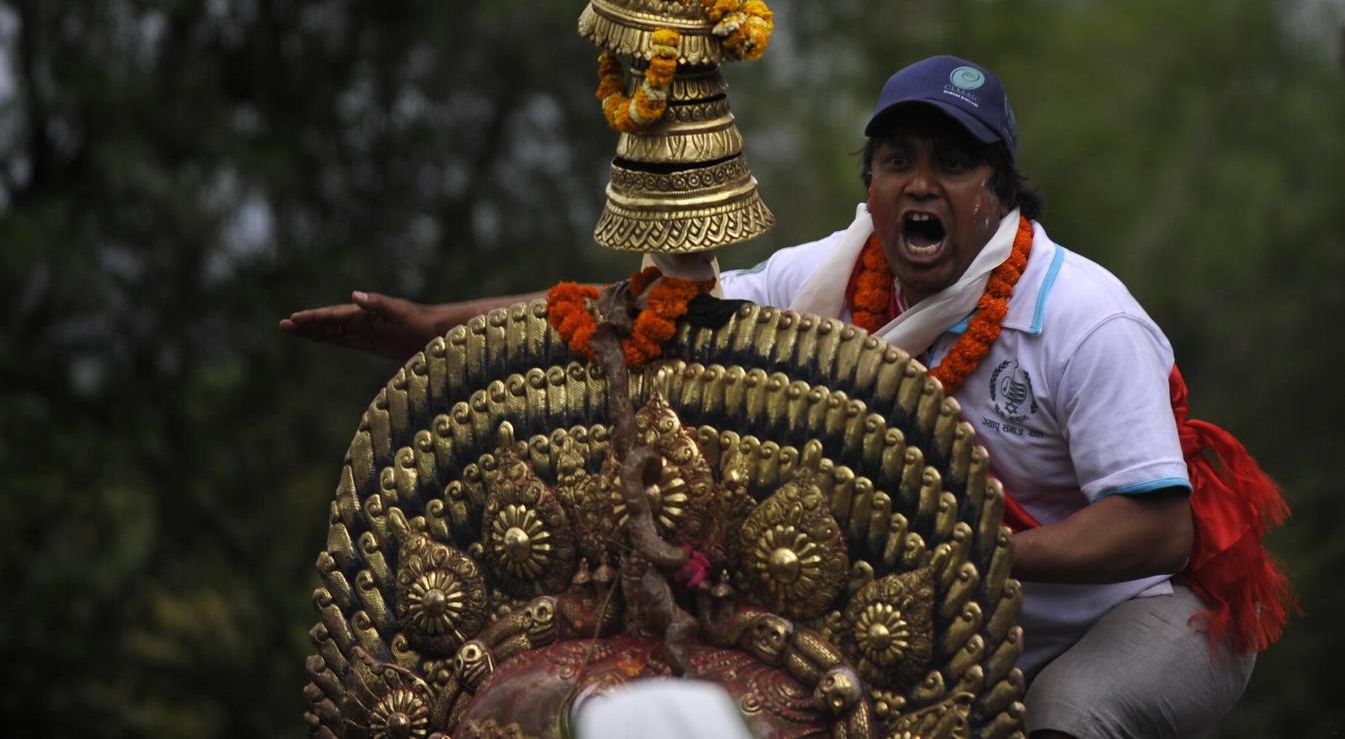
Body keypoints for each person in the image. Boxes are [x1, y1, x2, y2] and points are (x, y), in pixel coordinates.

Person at [283, 55, 1274, 738]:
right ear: (873, 184)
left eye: (953, 162)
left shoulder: (1083, 318)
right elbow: (644, 307)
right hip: (928, 627)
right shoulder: (824, 282)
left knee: (1061, 723)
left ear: (997, 190)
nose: (921, 184)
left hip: (1133, 617)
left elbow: (1158, 533)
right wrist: (429, 327)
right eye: (898, 161)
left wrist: (971, 558)